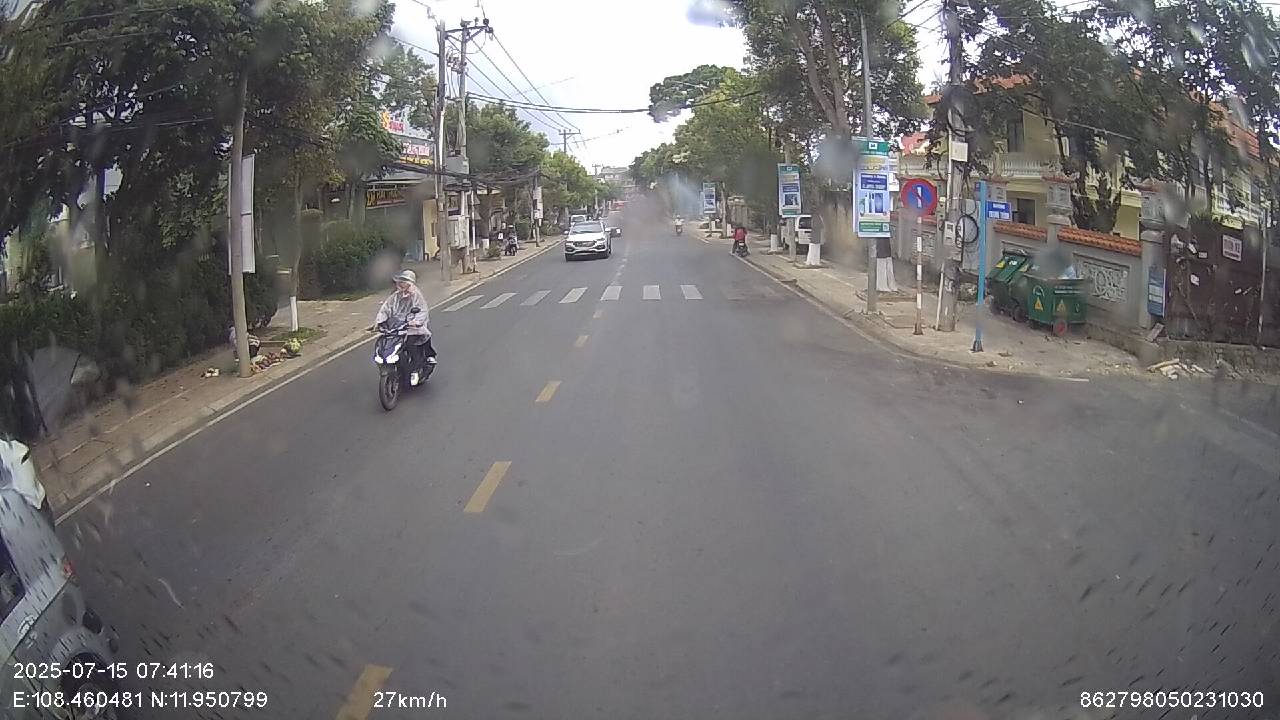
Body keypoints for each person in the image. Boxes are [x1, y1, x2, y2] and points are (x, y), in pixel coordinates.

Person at [375, 270, 436, 385]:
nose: (401, 284)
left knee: (410, 344)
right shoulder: (395, 296)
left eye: (404, 282)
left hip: (413, 328)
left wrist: (416, 321)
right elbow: (386, 309)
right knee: (385, 342)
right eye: (400, 282)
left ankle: (415, 369)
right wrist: (380, 321)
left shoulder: (416, 295)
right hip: (397, 327)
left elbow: (422, 310)